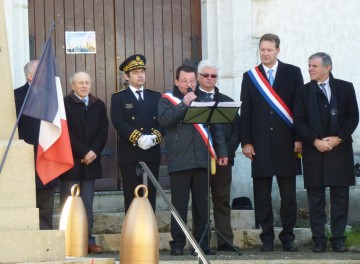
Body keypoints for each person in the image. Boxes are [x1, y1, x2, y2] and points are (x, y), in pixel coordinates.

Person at [240, 33, 304, 252]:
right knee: (262, 196)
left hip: (287, 144)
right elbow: (245, 111)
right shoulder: (250, 76)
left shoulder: (293, 73)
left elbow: (299, 108)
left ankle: (288, 237)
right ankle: (266, 238)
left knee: (288, 197)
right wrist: (246, 142)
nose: (265, 53)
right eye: (262, 49)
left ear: (278, 50)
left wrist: (299, 138)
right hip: (260, 145)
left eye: (269, 49)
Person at [158, 65, 228, 256]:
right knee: (179, 205)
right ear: (176, 81)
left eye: (191, 81)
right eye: (184, 81)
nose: (188, 84)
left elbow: (216, 129)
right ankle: (178, 244)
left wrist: (222, 152)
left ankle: (202, 244)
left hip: (201, 160)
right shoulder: (167, 100)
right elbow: (165, 121)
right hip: (179, 161)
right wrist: (184, 104)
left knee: (202, 205)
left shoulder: (204, 99)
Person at [294, 52, 359, 253]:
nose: (310, 69)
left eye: (314, 66)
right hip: (314, 150)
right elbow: (299, 121)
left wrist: (338, 138)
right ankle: (319, 240)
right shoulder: (303, 92)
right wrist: (314, 141)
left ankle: (338, 239)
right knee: (316, 199)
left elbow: (353, 116)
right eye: (309, 66)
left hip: (339, 150)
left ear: (327, 68)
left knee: (340, 197)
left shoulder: (345, 87)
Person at [59, 71, 109, 254]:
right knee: (68, 204)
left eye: (87, 82)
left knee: (87, 204)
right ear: (73, 85)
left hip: (91, 164)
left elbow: (103, 131)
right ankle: (68, 240)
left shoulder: (98, 105)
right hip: (70, 163)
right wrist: (83, 151)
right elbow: (65, 132)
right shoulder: (64, 104)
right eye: (80, 83)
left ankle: (87, 241)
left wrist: (93, 152)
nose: (84, 86)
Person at [195, 60, 241, 251]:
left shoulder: (227, 101)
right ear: (198, 77)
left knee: (222, 200)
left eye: (213, 76)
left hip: (223, 160)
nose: (209, 79)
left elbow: (237, 131)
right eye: (205, 75)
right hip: (199, 160)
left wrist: (227, 152)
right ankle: (202, 241)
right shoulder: (191, 99)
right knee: (201, 202)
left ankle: (225, 240)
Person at [111, 54, 164, 213]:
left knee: (151, 195)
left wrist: (154, 137)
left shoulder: (155, 96)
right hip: (131, 154)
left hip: (151, 153)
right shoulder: (119, 98)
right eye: (135, 72)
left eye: (142, 71)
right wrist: (139, 138)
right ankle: (132, 235)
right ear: (126, 76)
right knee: (132, 195)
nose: (140, 75)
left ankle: (149, 233)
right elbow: (119, 122)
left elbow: (164, 121)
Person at [14, 60, 57, 230]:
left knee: (46, 201)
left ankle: (45, 233)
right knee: (26, 199)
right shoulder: (16, 96)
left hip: (48, 154)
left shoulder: (52, 96)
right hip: (25, 157)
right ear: (31, 76)